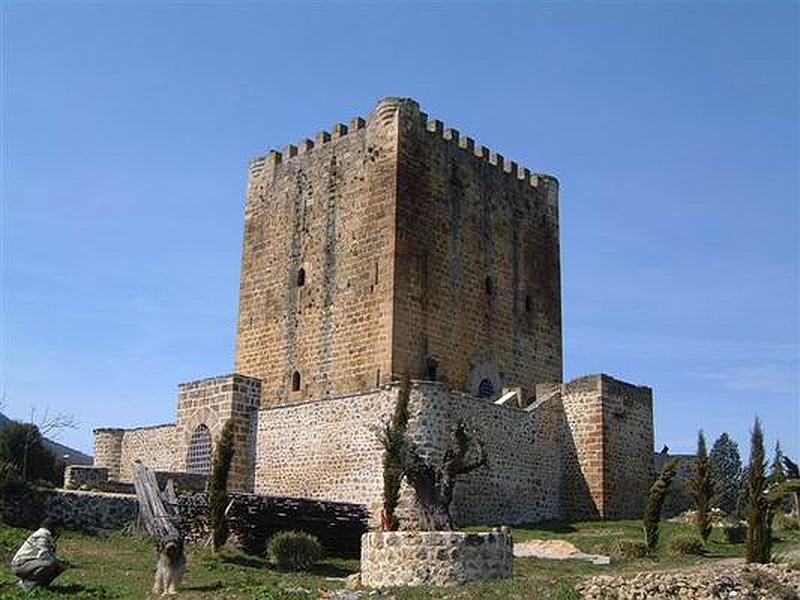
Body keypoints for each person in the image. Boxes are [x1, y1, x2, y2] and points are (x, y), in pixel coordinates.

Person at [10, 517, 67, 592]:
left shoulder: (47, 536)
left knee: (59, 565)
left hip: (30, 563)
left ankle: (40, 585)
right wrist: (57, 562)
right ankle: (27, 584)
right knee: (50, 563)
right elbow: (43, 554)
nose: (59, 531)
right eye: (58, 528)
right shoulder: (41, 535)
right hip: (20, 564)